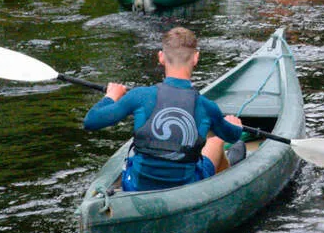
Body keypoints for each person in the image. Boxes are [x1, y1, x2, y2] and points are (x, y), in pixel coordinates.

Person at [83, 26, 245, 193]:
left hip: (136, 186)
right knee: (216, 140)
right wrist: (235, 124)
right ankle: (224, 182)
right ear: (196, 58)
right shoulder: (207, 107)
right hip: (186, 188)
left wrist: (112, 95)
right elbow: (232, 136)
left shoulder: (139, 96)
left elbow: (91, 121)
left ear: (161, 57)